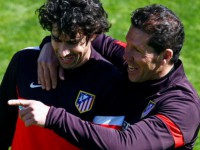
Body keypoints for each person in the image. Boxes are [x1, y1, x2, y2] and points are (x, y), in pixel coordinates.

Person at [10, 4, 200, 150]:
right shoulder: (138, 62)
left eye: (137, 50)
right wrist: (49, 46)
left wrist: (52, 116)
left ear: (165, 56)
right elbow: (83, 32)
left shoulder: (182, 109)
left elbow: (124, 145)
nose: (125, 56)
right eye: (128, 43)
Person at [0, 0, 124, 149]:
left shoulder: (109, 80)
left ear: (93, 35)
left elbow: (105, 144)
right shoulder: (24, 61)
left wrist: (52, 118)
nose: (63, 52)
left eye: (73, 42)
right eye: (56, 39)